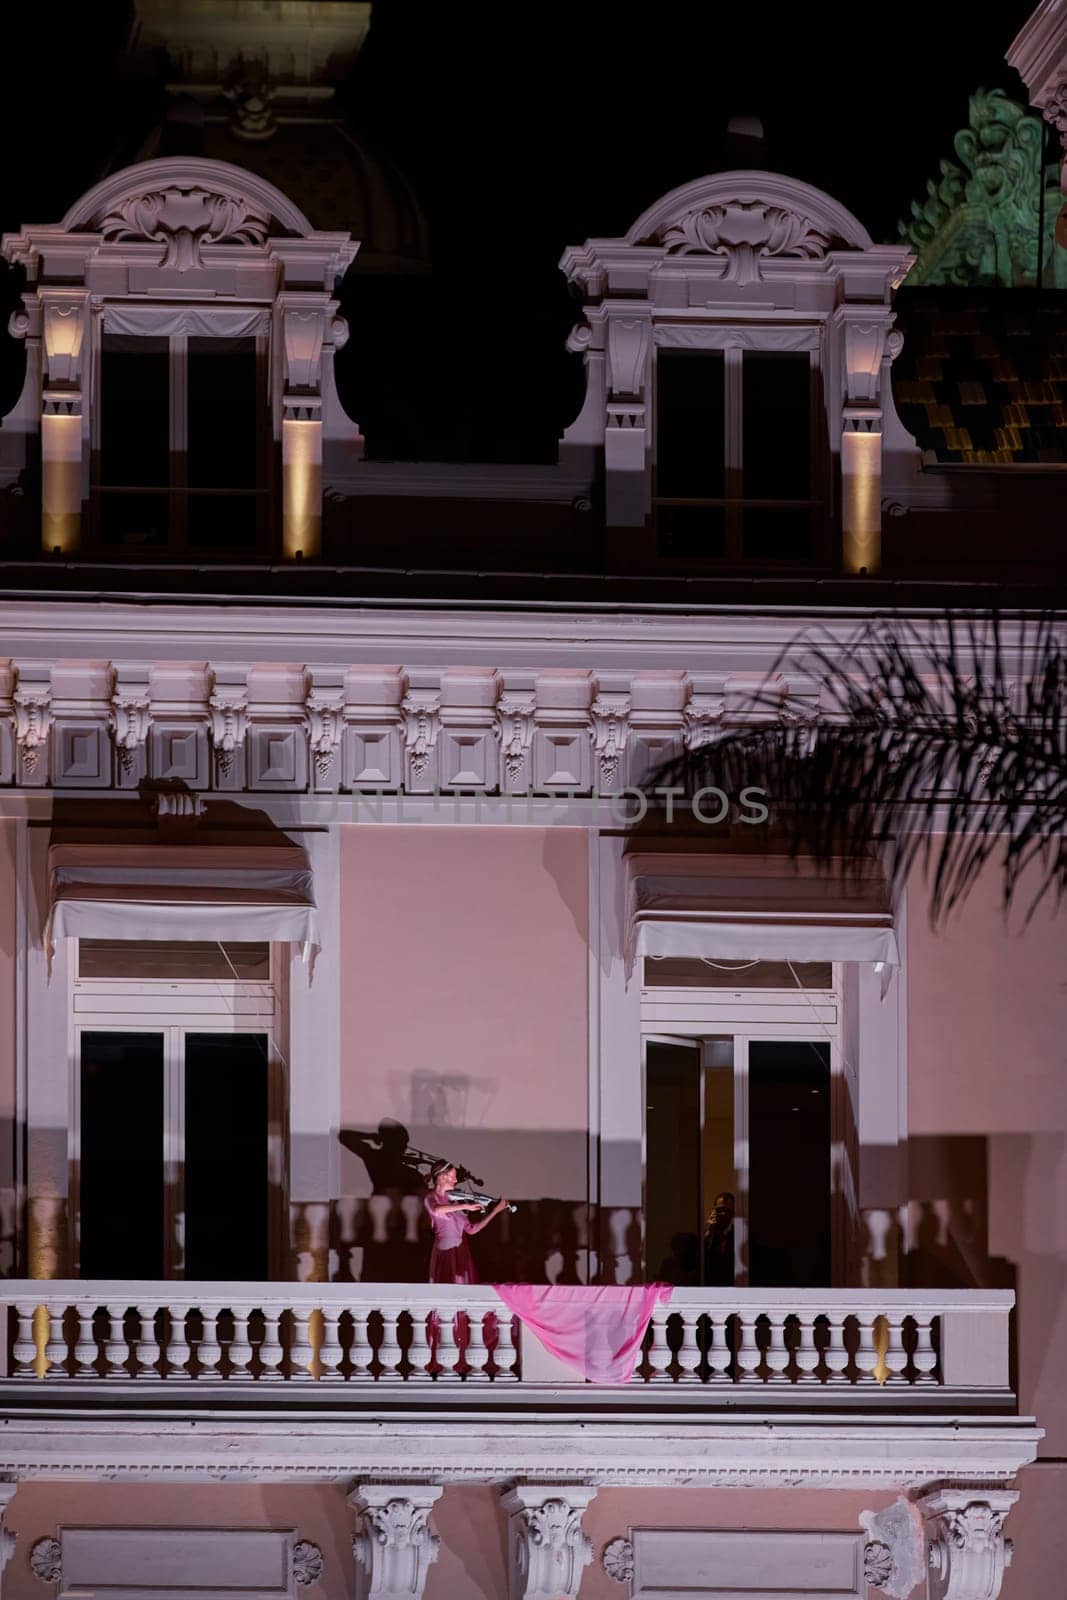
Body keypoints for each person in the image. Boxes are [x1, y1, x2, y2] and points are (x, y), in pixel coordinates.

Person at [424, 1160, 509, 1284]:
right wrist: (465, 1206)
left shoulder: (456, 1201)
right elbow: (437, 1210)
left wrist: (495, 1211)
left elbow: (472, 1229)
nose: (456, 1180)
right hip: (445, 1251)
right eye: (453, 1177)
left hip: (461, 1251)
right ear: (442, 1177)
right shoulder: (431, 1198)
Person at [703, 1190, 736, 1286]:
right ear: (714, 1211)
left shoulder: (737, 1235)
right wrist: (709, 1233)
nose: (723, 1214)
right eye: (720, 1210)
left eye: (727, 1210)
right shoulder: (707, 1233)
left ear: (733, 1212)